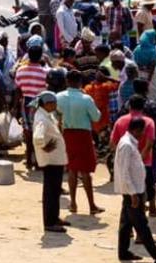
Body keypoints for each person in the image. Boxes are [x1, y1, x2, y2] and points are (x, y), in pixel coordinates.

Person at [115, 115, 156, 263]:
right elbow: (124, 171)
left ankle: (123, 252)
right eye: (142, 131)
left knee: (126, 224)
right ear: (136, 130)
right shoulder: (127, 145)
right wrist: (133, 193)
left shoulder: (130, 143)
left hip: (134, 189)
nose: (143, 133)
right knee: (141, 223)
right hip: (133, 191)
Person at [57, 70, 103, 215]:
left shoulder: (59, 97)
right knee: (85, 171)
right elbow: (96, 117)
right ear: (80, 82)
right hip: (83, 134)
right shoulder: (86, 99)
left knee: (72, 169)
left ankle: (73, 204)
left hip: (67, 133)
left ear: (66, 81)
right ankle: (91, 205)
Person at [32, 91, 68, 233]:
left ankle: (54, 217)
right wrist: (43, 146)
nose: (55, 106)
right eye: (53, 103)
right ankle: (49, 221)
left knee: (55, 190)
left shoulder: (46, 115)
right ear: (47, 104)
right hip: (50, 160)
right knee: (51, 191)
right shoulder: (42, 118)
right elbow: (37, 137)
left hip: (55, 160)